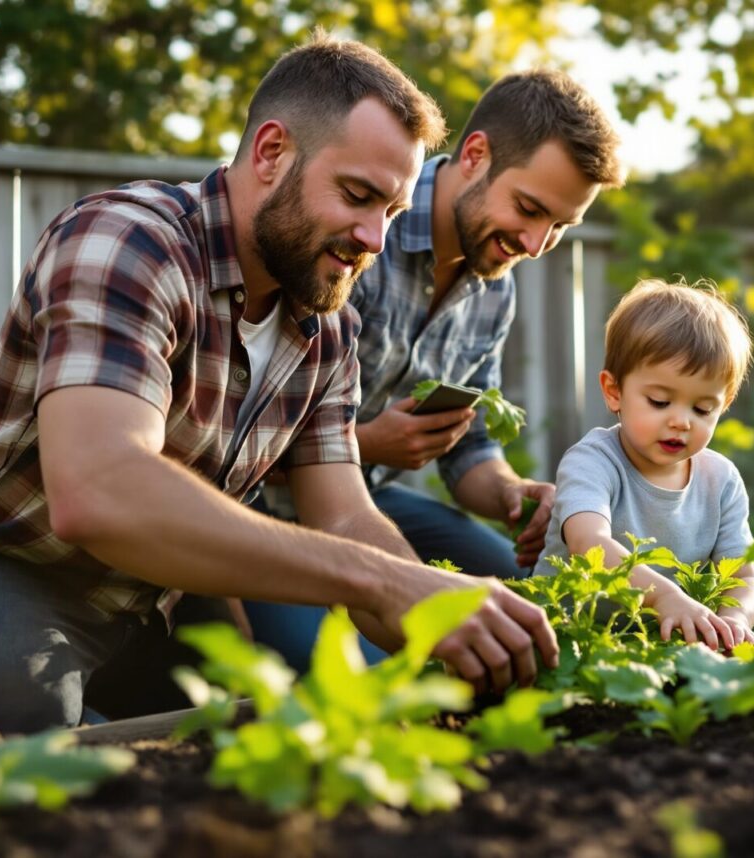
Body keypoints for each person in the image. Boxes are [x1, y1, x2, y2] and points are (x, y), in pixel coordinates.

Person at [0, 34, 557, 734]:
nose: (374, 239)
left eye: (391, 213)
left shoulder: (327, 329)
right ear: (270, 153)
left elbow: (347, 517)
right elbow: (99, 492)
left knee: (275, 742)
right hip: (5, 567)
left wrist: (440, 619)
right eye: (358, 196)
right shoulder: (130, 242)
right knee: (22, 736)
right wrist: (382, 581)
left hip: (161, 596)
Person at [244, 70, 623, 667]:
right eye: (528, 209)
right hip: (261, 509)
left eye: (559, 226)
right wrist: (369, 444)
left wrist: (512, 496)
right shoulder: (354, 237)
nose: (534, 242)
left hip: (373, 504)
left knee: (536, 614)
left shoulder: (493, 289)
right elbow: (247, 432)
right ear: (475, 155)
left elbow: (468, 448)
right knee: (371, 667)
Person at [533, 279, 754, 650]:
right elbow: (589, 543)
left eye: (703, 409)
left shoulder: (721, 481)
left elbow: (743, 575)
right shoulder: (593, 461)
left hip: (653, 646)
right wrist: (665, 597)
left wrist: (733, 620)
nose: (681, 422)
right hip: (568, 638)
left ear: (725, 404)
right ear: (614, 391)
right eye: (659, 401)